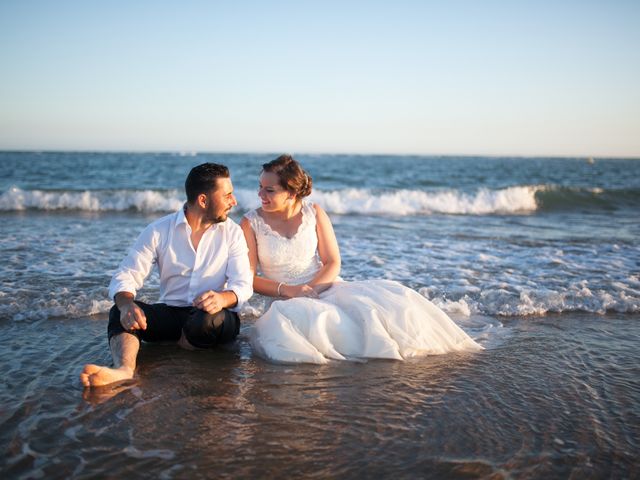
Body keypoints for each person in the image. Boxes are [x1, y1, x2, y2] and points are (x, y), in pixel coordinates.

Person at [240, 154, 482, 364]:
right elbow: (248, 279)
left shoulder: (314, 213)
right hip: (284, 297)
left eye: (269, 190)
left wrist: (310, 290)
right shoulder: (251, 223)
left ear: (291, 192)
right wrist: (292, 292)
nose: (260, 194)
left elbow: (333, 261)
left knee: (380, 312)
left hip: (324, 285)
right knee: (296, 333)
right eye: (260, 187)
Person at [80, 163, 253, 387]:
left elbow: (244, 285)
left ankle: (183, 352)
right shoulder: (159, 230)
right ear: (203, 200)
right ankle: (124, 370)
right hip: (172, 314)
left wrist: (222, 298)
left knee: (207, 319)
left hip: (215, 317)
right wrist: (126, 305)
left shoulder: (233, 233)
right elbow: (126, 274)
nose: (234, 201)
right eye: (227, 195)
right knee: (119, 312)